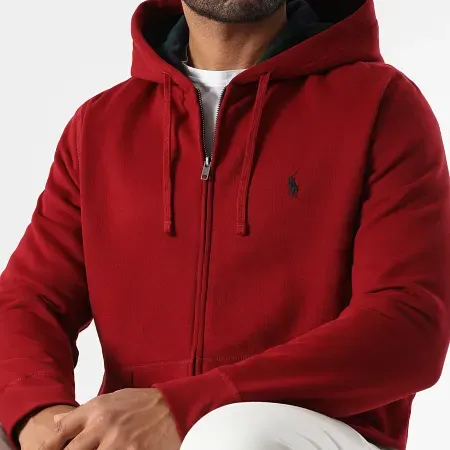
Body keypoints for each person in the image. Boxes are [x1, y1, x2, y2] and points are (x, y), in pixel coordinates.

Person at [0, 0, 449, 449]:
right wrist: (41, 419)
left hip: (305, 433)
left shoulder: (380, 105)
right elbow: (27, 302)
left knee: (232, 435)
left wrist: (185, 408)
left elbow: (407, 325)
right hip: (134, 437)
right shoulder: (100, 126)